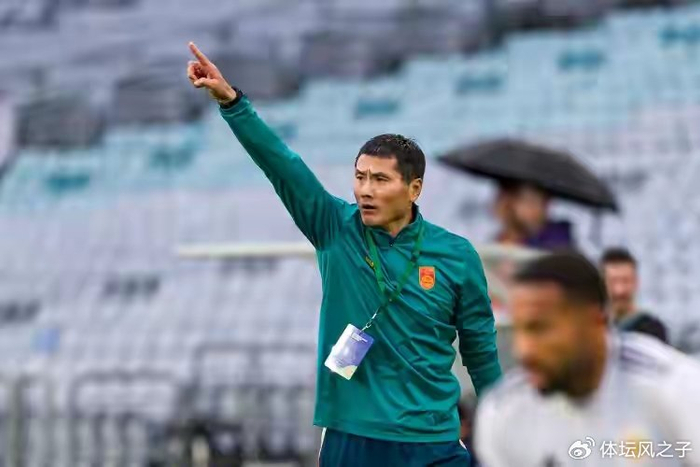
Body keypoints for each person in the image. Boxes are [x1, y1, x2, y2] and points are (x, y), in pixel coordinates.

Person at [186, 43, 502, 466]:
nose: (365, 190)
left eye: (380, 180)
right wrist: (232, 103)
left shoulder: (456, 255)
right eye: (360, 177)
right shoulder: (334, 227)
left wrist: (508, 428)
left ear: (414, 189)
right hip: (353, 437)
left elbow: (481, 352)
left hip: (433, 439)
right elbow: (283, 165)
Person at [475, 252, 700, 466]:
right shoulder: (505, 411)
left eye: (540, 329)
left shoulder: (675, 388)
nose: (523, 351)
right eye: (519, 330)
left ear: (595, 319)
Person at [601, 247, 668, 343]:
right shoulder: (594, 328)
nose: (619, 290)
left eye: (626, 281)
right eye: (613, 281)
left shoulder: (652, 329)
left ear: (636, 282)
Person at [493, 180, 575, 251]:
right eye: (531, 202)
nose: (538, 211)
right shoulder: (498, 240)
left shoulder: (555, 239)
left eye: (543, 204)